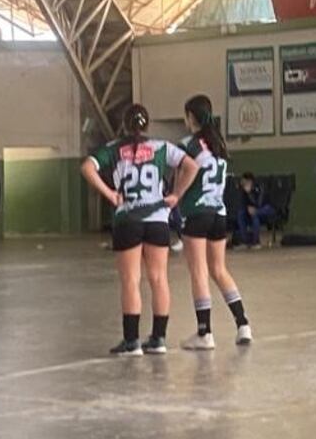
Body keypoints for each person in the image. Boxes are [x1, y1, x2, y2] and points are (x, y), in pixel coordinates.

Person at [80, 104, 199, 356]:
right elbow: (192, 166)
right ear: (147, 125)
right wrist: (176, 195)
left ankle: (132, 341)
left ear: (124, 124)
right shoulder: (161, 147)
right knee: (159, 279)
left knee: (130, 281)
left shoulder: (113, 149)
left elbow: (87, 168)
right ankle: (158, 339)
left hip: (128, 219)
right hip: (157, 217)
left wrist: (110, 194)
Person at [178, 95, 253, 350]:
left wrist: (175, 196)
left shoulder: (189, 144)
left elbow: (187, 172)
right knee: (219, 270)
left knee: (199, 271)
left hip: (197, 212)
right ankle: (243, 324)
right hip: (218, 213)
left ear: (191, 117)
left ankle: (204, 333)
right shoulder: (218, 144)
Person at [236, 172, 273, 249]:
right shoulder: (243, 190)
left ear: (249, 181)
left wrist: (250, 193)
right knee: (241, 214)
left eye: (244, 181)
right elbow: (243, 204)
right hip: (252, 209)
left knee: (254, 214)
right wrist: (247, 208)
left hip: (266, 208)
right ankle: (244, 241)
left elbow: (259, 203)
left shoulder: (259, 187)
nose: (242, 183)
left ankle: (256, 242)